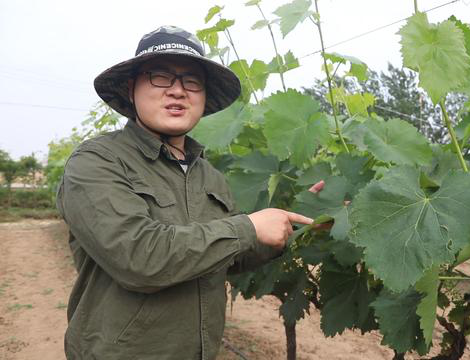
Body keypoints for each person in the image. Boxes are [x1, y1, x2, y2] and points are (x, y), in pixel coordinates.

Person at [56, 25, 315, 359]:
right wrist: (248, 227)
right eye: (160, 76)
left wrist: (305, 222)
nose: (178, 91)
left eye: (192, 81)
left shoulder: (209, 175)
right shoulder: (96, 161)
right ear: (130, 87)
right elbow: (137, 257)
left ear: (203, 97)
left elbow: (226, 256)